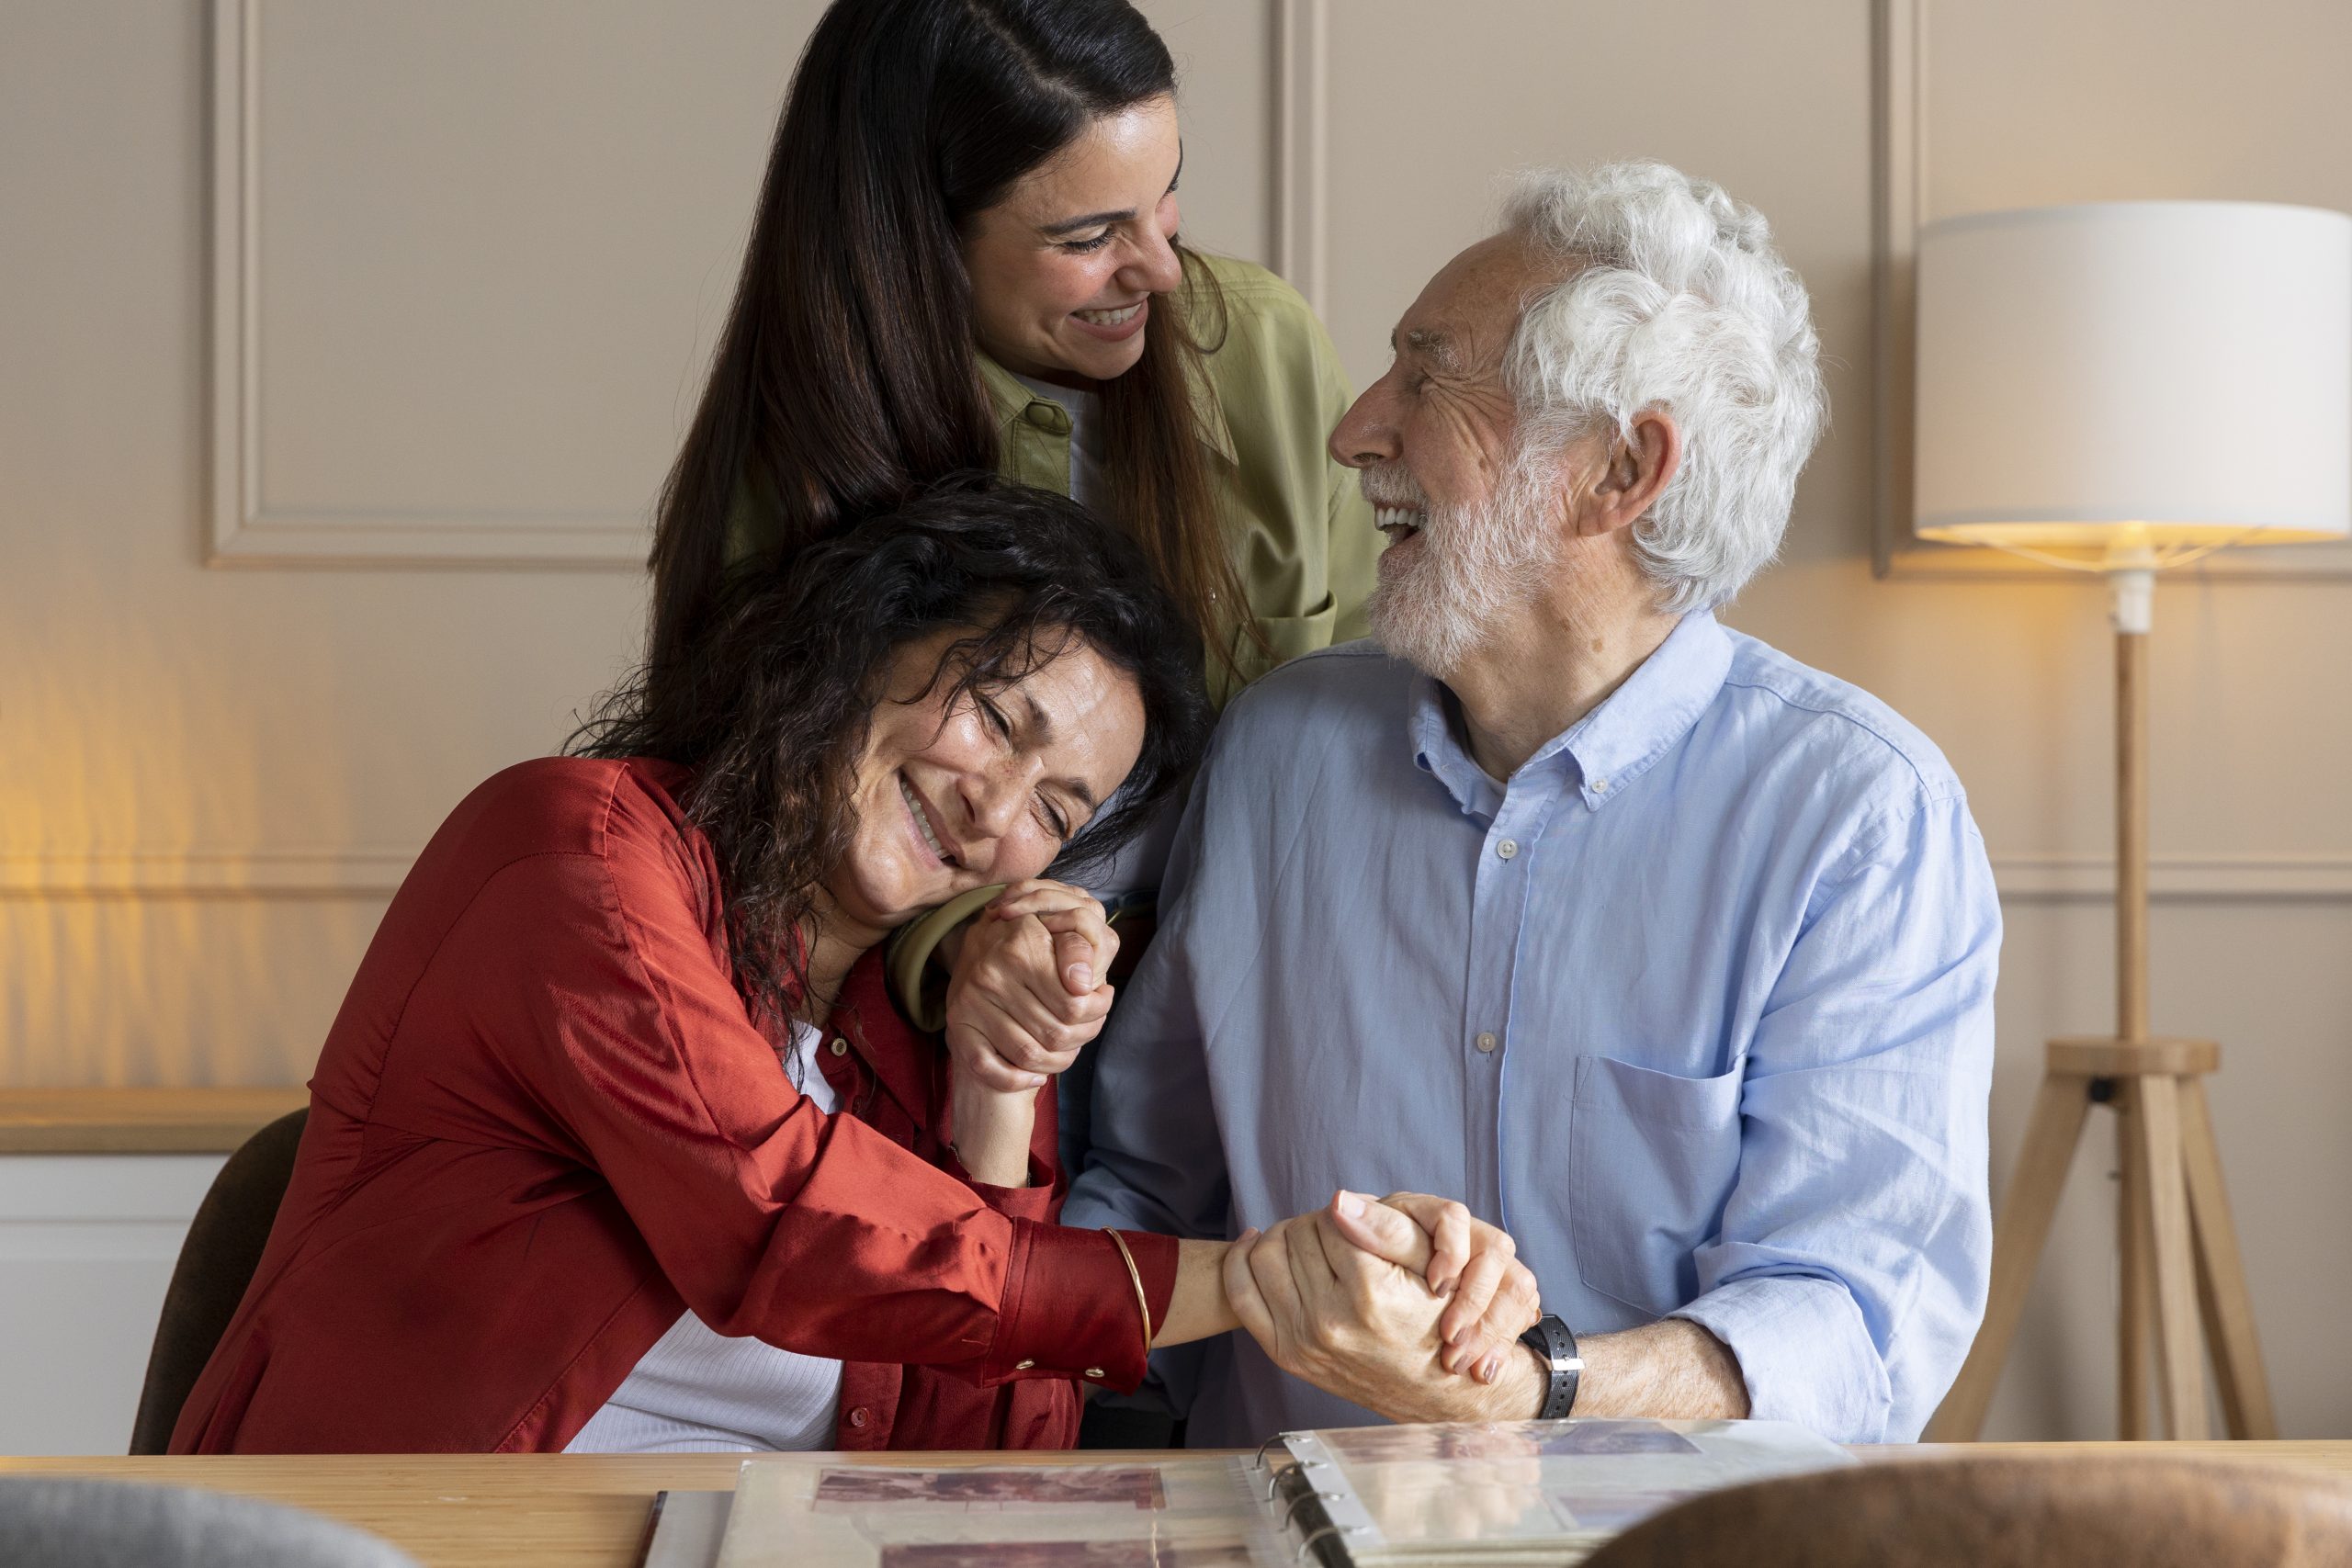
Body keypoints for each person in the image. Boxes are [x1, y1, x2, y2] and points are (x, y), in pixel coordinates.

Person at [169, 480, 1530, 1456]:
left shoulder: (912, 1039)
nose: (998, 809)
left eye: (1058, 809)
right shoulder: (577, 855)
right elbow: (782, 1219)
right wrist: (1248, 1279)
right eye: (996, 716)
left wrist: (1000, 1097)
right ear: (859, 644)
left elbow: (989, 1462)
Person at [1062, 162, 2002, 1447]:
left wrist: (1538, 1377)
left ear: (1619, 470)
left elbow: (1854, 1320)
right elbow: (1142, 1182)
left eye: (1428, 374)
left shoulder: (1858, 817)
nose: (1353, 429)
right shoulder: (1280, 748)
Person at [637, 0, 1383, 1155]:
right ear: (920, 239)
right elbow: (769, 853)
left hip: (1262, 1040)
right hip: (931, 1088)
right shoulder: (790, 473)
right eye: (1089, 236)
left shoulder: (1266, 351)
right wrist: (978, 952)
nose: (1162, 269)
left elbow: (1378, 712)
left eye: (1165, 197)